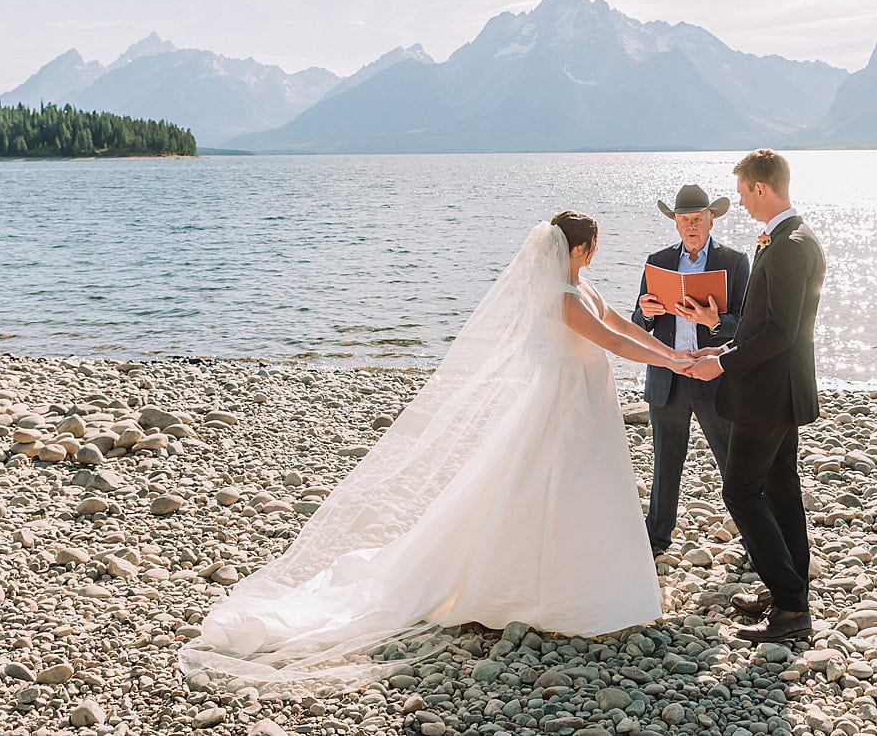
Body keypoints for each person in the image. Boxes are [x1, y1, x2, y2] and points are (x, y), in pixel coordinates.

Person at [180, 212, 692, 690]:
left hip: (585, 401)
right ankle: (544, 592)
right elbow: (611, 342)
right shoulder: (563, 296)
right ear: (582, 247)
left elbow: (624, 328)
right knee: (556, 485)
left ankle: (581, 582)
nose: (596, 252)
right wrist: (678, 366)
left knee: (579, 488)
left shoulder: (582, 286)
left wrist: (674, 355)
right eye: (594, 245)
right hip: (565, 405)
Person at [685, 149, 825, 643]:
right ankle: (791, 594)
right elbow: (762, 326)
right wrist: (722, 345)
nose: (742, 203)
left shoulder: (788, 245)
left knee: (740, 491)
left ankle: (790, 606)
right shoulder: (790, 237)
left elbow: (780, 333)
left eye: (744, 193)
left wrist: (721, 363)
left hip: (767, 394)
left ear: (760, 188)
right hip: (778, 389)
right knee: (782, 487)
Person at [631, 184, 749, 556]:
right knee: (665, 463)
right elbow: (638, 323)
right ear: (676, 223)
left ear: (711, 219)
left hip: (713, 374)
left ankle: (754, 536)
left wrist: (715, 321)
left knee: (731, 460)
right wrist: (645, 312)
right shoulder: (658, 261)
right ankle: (656, 539)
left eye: (697, 219)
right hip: (667, 375)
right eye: (684, 220)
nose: (691, 226)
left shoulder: (734, 261)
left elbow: (746, 324)